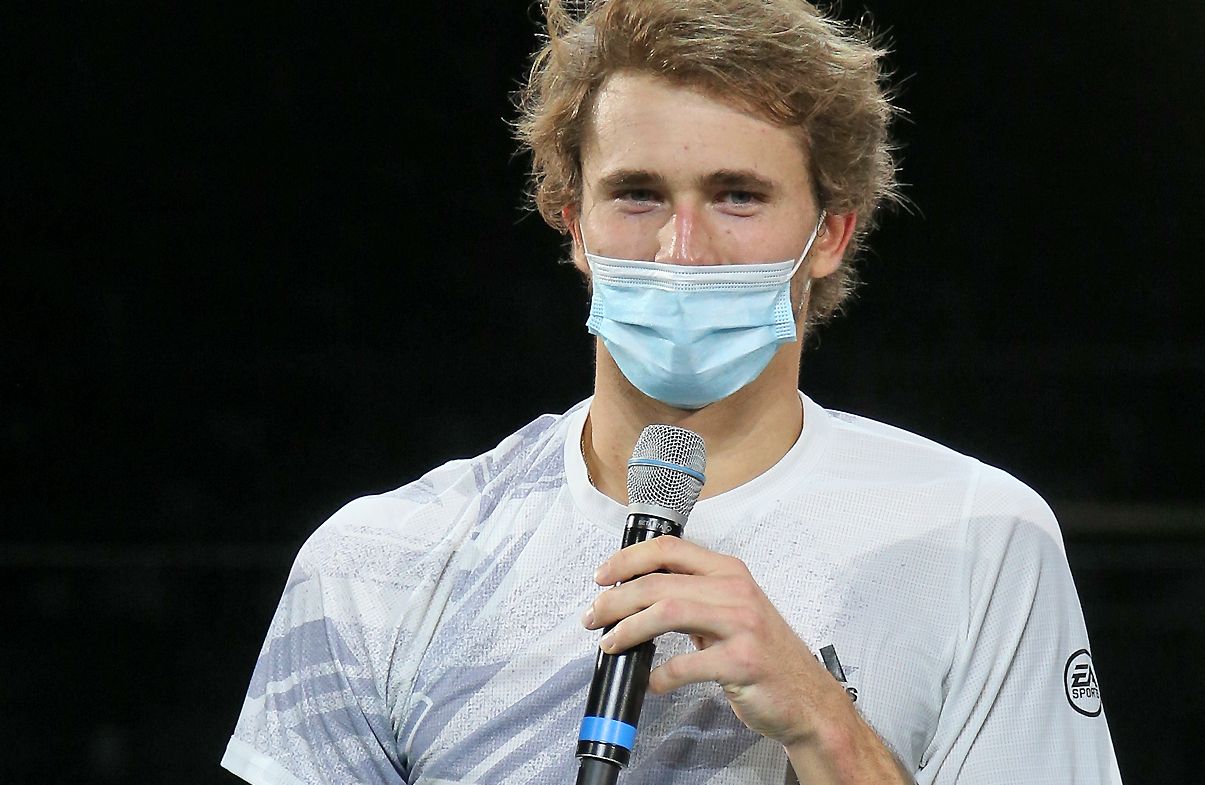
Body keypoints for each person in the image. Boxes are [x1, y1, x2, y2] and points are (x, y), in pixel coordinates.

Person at [222, 1, 1123, 783]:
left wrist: (829, 728)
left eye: (737, 196)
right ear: (574, 224)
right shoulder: (380, 562)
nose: (682, 251)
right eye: (639, 195)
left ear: (834, 233)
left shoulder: (975, 537)